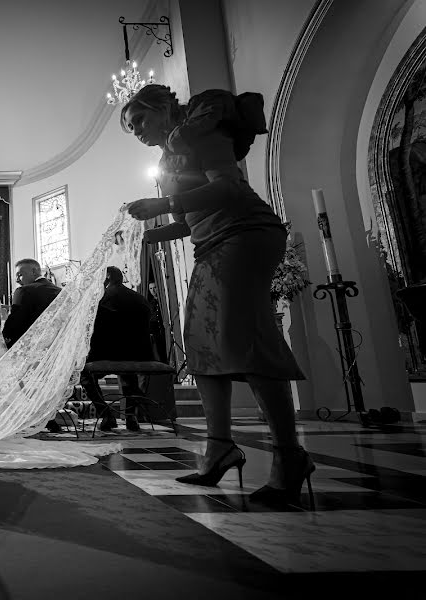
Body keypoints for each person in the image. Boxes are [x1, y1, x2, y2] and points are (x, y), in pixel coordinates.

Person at [121, 84, 311, 505]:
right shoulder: (172, 153)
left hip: (245, 235)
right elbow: (193, 219)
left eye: (141, 121)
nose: (137, 131)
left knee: (251, 341)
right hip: (211, 243)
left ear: (164, 108)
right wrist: (155, 234)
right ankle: (219, 446)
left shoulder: (199, 133)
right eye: (131, 127)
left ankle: (289, 455)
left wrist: (163, 204)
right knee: (201, 345)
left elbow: (229, 189)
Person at [81, 266, 154, 432]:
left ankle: (106, 414)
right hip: (139, 356)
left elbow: (94, 332)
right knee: (129, 374)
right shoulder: (140, 298)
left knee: (83, 373)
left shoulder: (101, 298)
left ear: (107, 278)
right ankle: (131, 417)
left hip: (108, 354)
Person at [3, 257, 62, 432]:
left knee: (19, 382)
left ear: (35, 271)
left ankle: (32, 416)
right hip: (55, 351)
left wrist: (5, 342)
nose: (17, 279)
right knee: (47, 383)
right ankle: (50, 417)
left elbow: (15, 323)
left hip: (31, 350)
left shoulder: (24, 291)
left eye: (20, 274)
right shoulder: (60, 291)